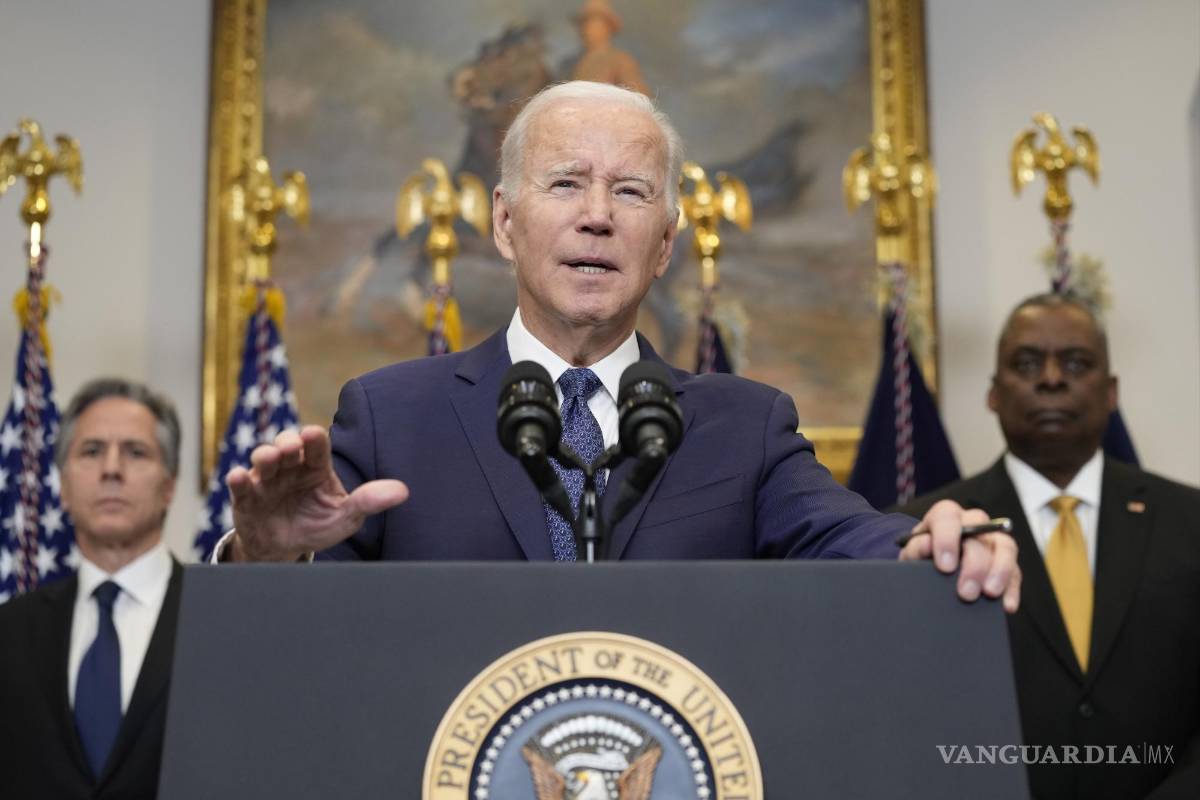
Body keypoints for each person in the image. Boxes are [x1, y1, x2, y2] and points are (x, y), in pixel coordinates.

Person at [219, 80, 1018, 613]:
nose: (597, 216)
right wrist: (265, 559)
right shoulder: (391, 416)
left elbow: (846, 533)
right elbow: (305, 635)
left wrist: (925, 539)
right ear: (504, 222)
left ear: (665, 245)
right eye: (565, 183)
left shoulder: (745, 427)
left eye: (631, 192)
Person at [898, 294, 1200, 799]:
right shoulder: (923, 534)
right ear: (993, 393)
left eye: (1077, 363)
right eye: (1027, 363)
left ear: (1111, 392)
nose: (1052, 378)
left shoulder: (1190, 522)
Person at [0, 378, 182, 799]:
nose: (112, 469)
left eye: (136, 452)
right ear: (62, 486)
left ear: (169, 486)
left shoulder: (213, 618)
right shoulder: (10, 630)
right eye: (92, 451)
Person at [570, 0, 650, 95]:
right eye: (583, 24)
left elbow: (639, 99)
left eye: (592, 23)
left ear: (607, 27)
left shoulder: (620, 60)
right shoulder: (571, 64)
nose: (585, 29)